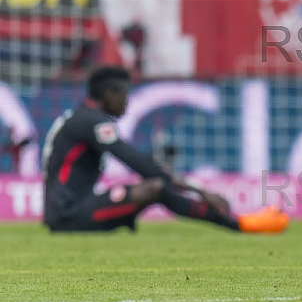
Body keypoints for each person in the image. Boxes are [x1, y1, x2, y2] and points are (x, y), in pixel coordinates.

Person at [41, 66, 289, 234]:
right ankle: (238, 224)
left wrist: (160, 169)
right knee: (155, 188)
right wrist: (199, 190)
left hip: (66, 209)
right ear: (109, 94)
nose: (127, 103)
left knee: (154, 184)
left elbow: (139, 161)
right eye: (125, 95)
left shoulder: (81, 117)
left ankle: (237, 221)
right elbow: (134, 161)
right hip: (68, 215)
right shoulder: (92, 121)